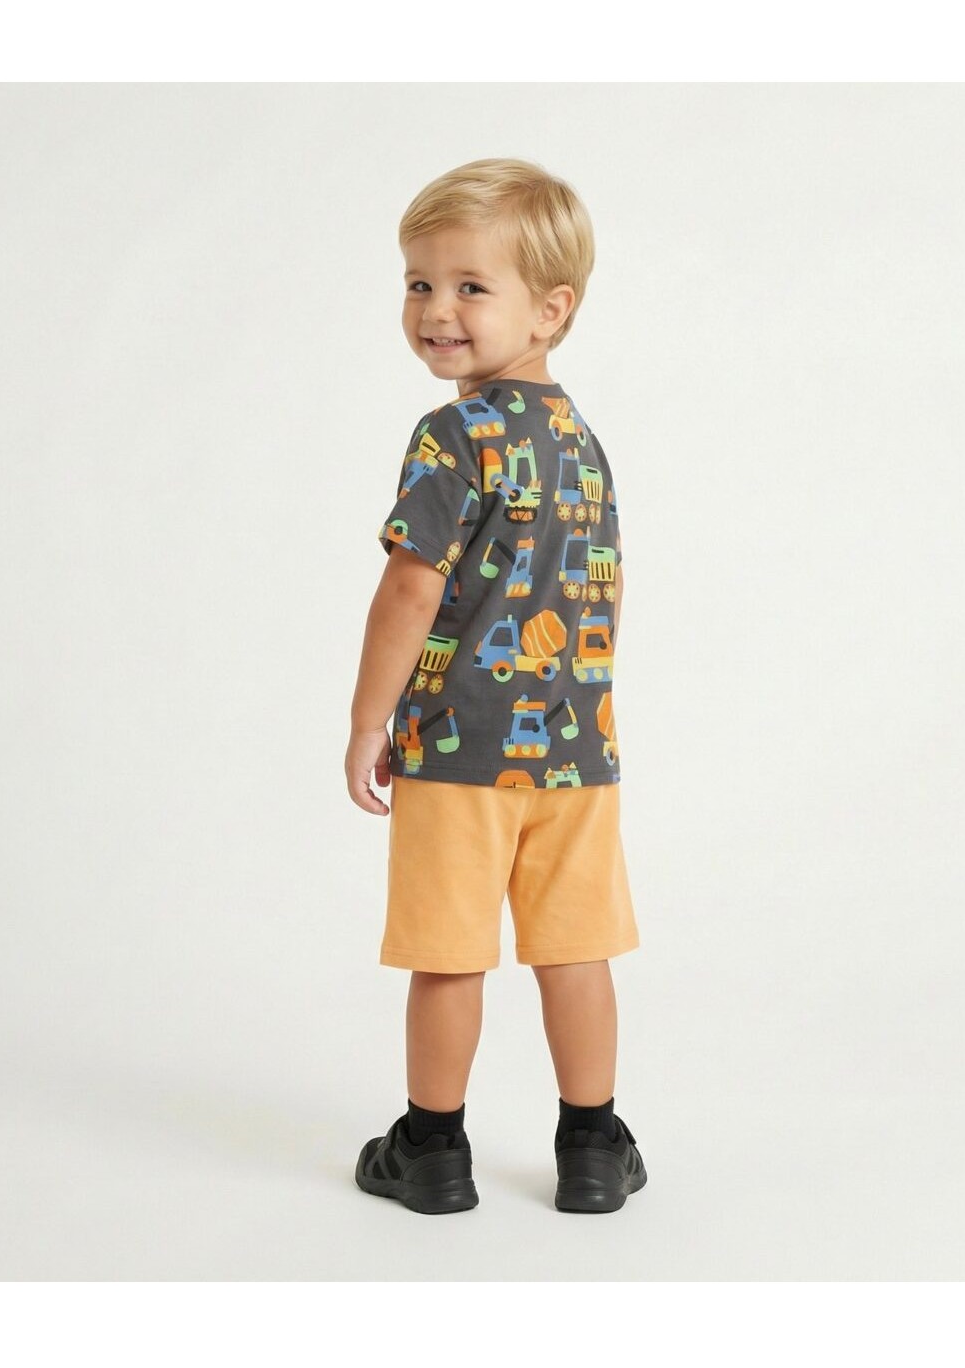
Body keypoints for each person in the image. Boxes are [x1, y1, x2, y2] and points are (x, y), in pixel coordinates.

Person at [345, 158, 645, 1215]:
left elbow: (410, 586)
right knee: (577, 950)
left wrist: (369, 719)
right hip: (577, 750)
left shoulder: (453, 436)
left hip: (458, 749)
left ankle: (432, 1150)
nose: (437, 310)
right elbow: (601, 587)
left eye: (471, 286)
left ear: (551, 310)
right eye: (419, 283)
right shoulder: (583, 445)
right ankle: (593, 1145)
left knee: (448, 956)